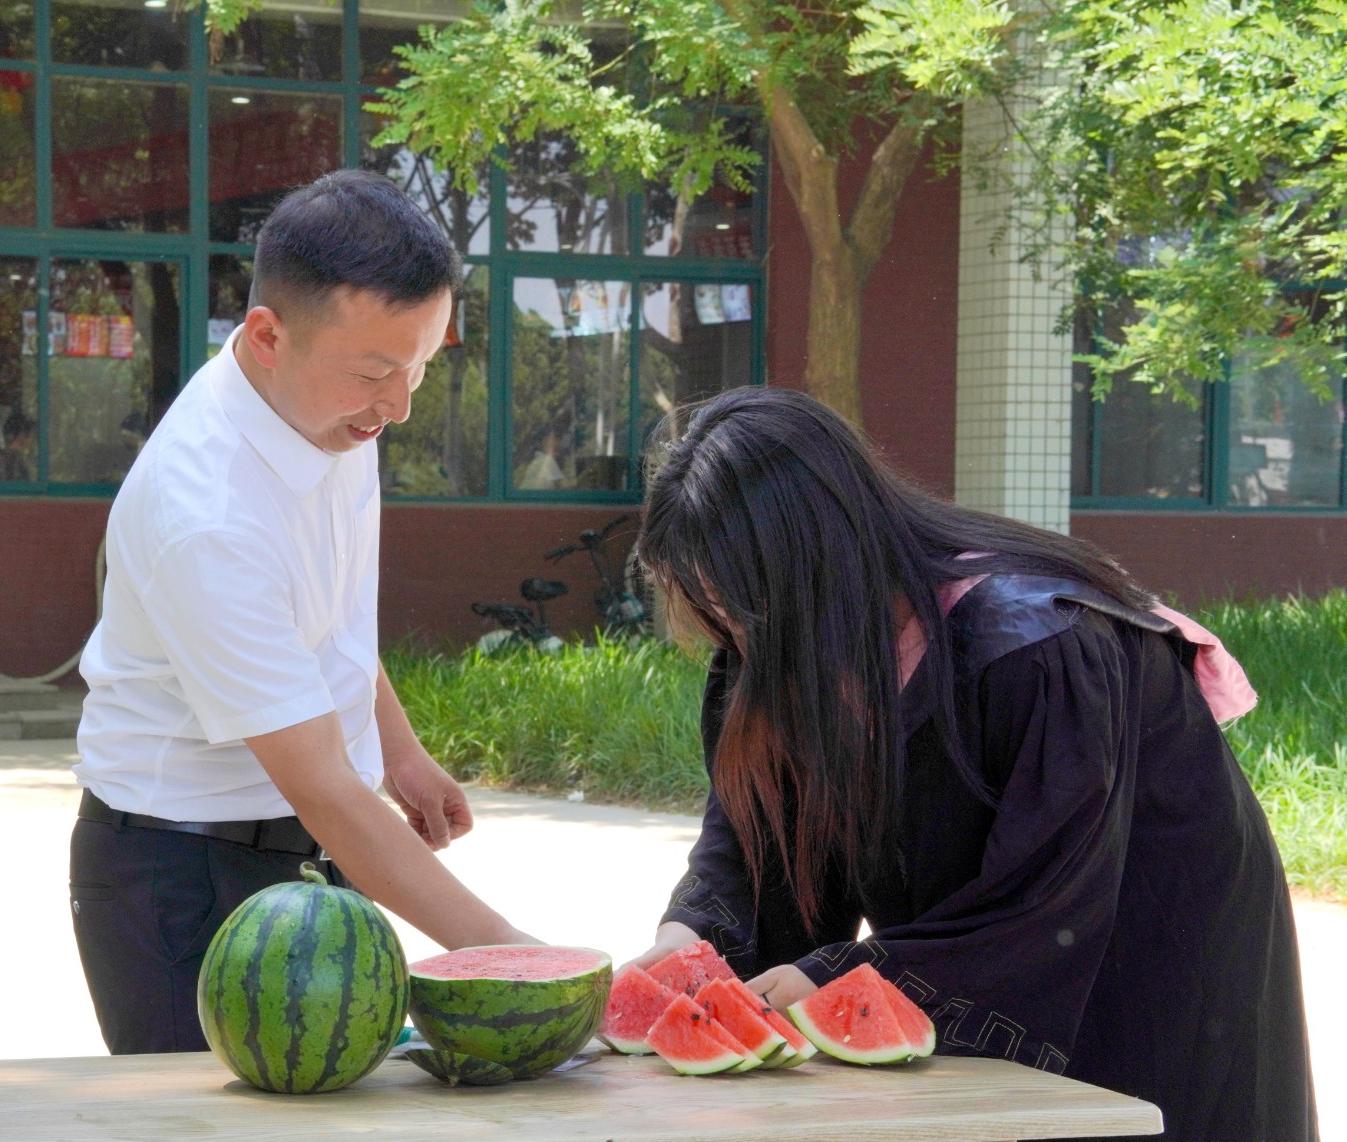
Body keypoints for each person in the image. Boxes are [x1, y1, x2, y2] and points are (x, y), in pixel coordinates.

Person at [629, 387, 1317, 1142]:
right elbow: (759, 836)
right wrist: (691, 938)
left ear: (816, 569)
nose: (733, 635)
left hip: (1150, 939)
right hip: (1006, 925)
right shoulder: (767, 644)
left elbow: (1044, 900)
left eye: (743, 607)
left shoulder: (1038, 644)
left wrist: (835, 978)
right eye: (714, 609)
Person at [71, 170, 534, 1055]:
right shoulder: (205, 512)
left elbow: (322, 618)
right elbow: (321, 785)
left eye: (422, 368)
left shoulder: (330, 413)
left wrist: (399, 751)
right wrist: (519, 960)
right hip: (184, 871)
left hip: (314, 848)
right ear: (268, 335)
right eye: (375, 373)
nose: (396, 406)